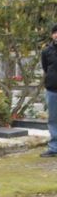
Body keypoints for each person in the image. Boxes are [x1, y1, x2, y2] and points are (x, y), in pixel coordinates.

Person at [40, 24, 57, 157]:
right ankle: (54, 147)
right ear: (52, 35)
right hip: (52, 90)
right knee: (53, 119)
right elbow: (46, 68)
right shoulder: (46, 51)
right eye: (55, 32)